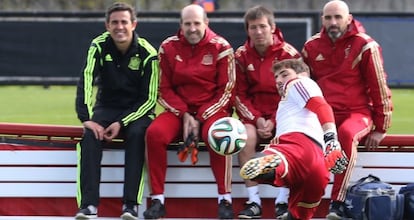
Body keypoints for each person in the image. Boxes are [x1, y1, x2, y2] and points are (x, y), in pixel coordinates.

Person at [301, 1, 393, 219]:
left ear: (349, 18)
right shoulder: (311, 47)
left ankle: (337, 202)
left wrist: (381, 127)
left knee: (346, 134)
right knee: (300, 138)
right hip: (324, 114)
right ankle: (291, 203)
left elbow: (378, 86)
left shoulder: (365, 45)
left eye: (338, 17)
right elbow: (303, 85)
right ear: (322, 19)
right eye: (328, 18)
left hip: (357, 112)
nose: (333, 22)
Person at [143, 4, 235, 219]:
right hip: (179, 112)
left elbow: (227, 90)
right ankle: (157, 199)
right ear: (181, 25)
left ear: (206, 23)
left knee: (219, 136)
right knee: (154, 134)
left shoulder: (222, 47)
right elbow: (162, 89)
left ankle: (225, 199)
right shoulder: (168, 47)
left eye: (196, 23)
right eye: (187, 24)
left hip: (212, 111)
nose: (192, 28)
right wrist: (184, 114)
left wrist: (201, 116)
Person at [74, 2, 159, 220]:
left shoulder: (148, 53)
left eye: (124, 22)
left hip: (138, 110)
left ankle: (130, 206)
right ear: (107, 25)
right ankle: (89, 206)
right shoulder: (98, 45)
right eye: (115, 23)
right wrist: (86, 119)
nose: (119, 27)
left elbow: (150, 99)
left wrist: (122, 122)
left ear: (133, 24)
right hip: (106, 107)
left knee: (138, 135)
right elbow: (85, 79)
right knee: (90, 137)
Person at [240, 58, 342, 220]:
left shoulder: (297, 83)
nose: (279, 80)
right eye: (276, 78)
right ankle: (270, 168)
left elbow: (321, 106)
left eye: (284, 74)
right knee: (297, 216)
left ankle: (270, 166)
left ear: (303, 74)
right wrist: (330, 139)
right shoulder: (291, 102)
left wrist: (331, 138)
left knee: (278, 158)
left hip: (298, 146)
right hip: (320, 167)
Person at [233, 5, 301, 219]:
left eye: (263, 26)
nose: (258, 31)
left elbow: (294, 93)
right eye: (253, 27)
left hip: (283, 114)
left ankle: (283, 199)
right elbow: (238, 94)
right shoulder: (241, 55)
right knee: (245, 138)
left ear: (272, 28)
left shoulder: (289, 55)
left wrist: (272, 120)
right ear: (248, 30)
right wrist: (256, 119)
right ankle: (254, 201)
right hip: (253, 116)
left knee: (288, 139)